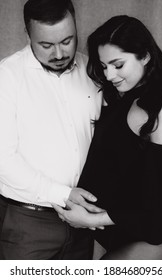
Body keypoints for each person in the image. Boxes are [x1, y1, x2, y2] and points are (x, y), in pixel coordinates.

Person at [53, 15, 162, 259]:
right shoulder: (123, 98)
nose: (109, 75)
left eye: (118, 65)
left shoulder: (161, 113)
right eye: (104, 66)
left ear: (146, 56)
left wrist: (91, 218)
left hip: (151, 244)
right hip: (112, 236)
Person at [0, 0, 103, 260]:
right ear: (28, 34)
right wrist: (65, 195)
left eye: (67, 41)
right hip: (28, 223)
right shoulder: (7, 77)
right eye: (46, 45)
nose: (59, 53)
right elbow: (3, 160)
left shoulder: (95, 72)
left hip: (83, 221)